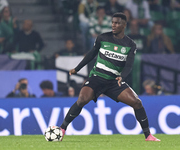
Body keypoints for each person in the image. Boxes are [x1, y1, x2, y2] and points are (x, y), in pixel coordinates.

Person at [59, 12, 160, 142]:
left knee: (137, 103)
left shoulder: (130, 44)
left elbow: (129, 66)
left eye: (117, 23)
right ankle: (62, 129)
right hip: (97, 77)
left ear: (124, 25)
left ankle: (148, 136)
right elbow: (91, 54)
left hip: (114, 81)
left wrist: (122, 76)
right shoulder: (102, 38)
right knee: (82, 100)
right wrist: (77, 68)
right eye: (113, 22)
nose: (114, 25)